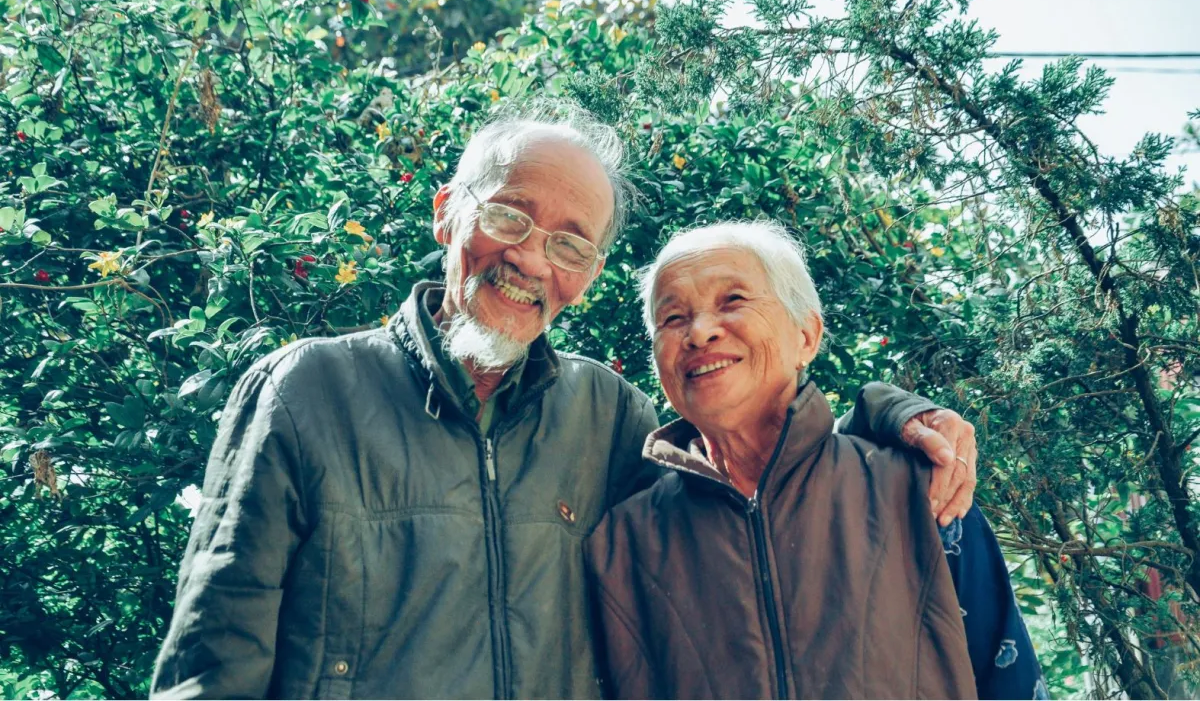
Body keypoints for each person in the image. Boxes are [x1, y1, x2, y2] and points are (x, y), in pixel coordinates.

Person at [151, 101, 981, 699]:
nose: (531, 260)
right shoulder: (307, 392)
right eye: (509, 216)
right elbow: (211, 665)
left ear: (586, 275)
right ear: (449, 214)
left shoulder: (609, 415)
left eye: (570, 243)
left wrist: (889, 414)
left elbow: (765, 490)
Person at [585, 220, 1045, 700]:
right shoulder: (623, 542)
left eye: (733, 301)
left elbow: (1009, 677)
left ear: (806, 336)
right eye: (673, 318)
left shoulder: (918, 489)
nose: (699, 332)